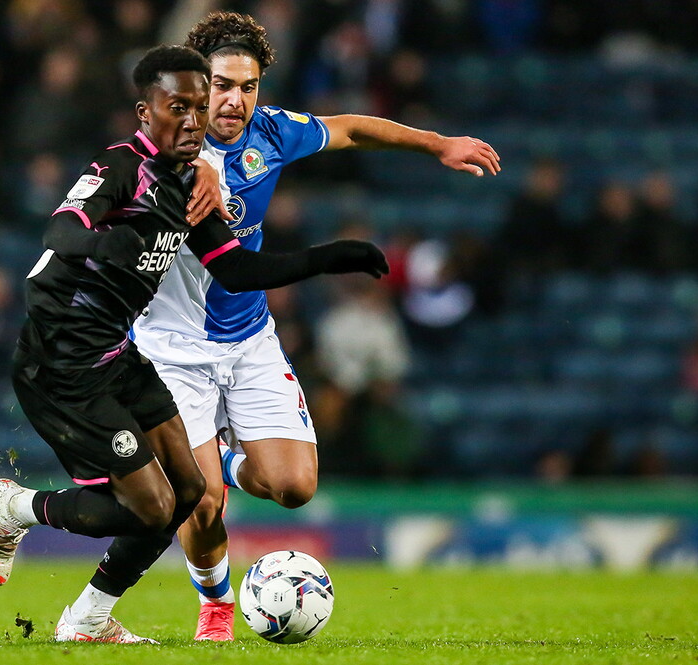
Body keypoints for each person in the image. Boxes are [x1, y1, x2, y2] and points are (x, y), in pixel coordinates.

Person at [0, 44, 390, 645]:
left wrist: (333, 257)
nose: (195, 120)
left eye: (199, 108)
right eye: (180, 108)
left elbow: (236, 270)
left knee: (190, 491)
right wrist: (111, 239)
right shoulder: (122, 167)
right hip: (62, 365)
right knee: (150, 507)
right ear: (146, 113)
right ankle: (15, 509)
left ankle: (87, 621)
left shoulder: (190, 183)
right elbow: (62, 229)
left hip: (119, 356)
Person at [130, 11, 502, 641]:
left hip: (247, 337)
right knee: (201, 499)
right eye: (222, 85)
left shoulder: (272, 133)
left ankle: (227, 457)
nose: (235, 100)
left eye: (248, 87)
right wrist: (194, 169)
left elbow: (351, 128)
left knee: (294, 488)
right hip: (172, 349)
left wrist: (437, 144)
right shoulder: (164, 148)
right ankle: (216, 609)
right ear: (196, 85)